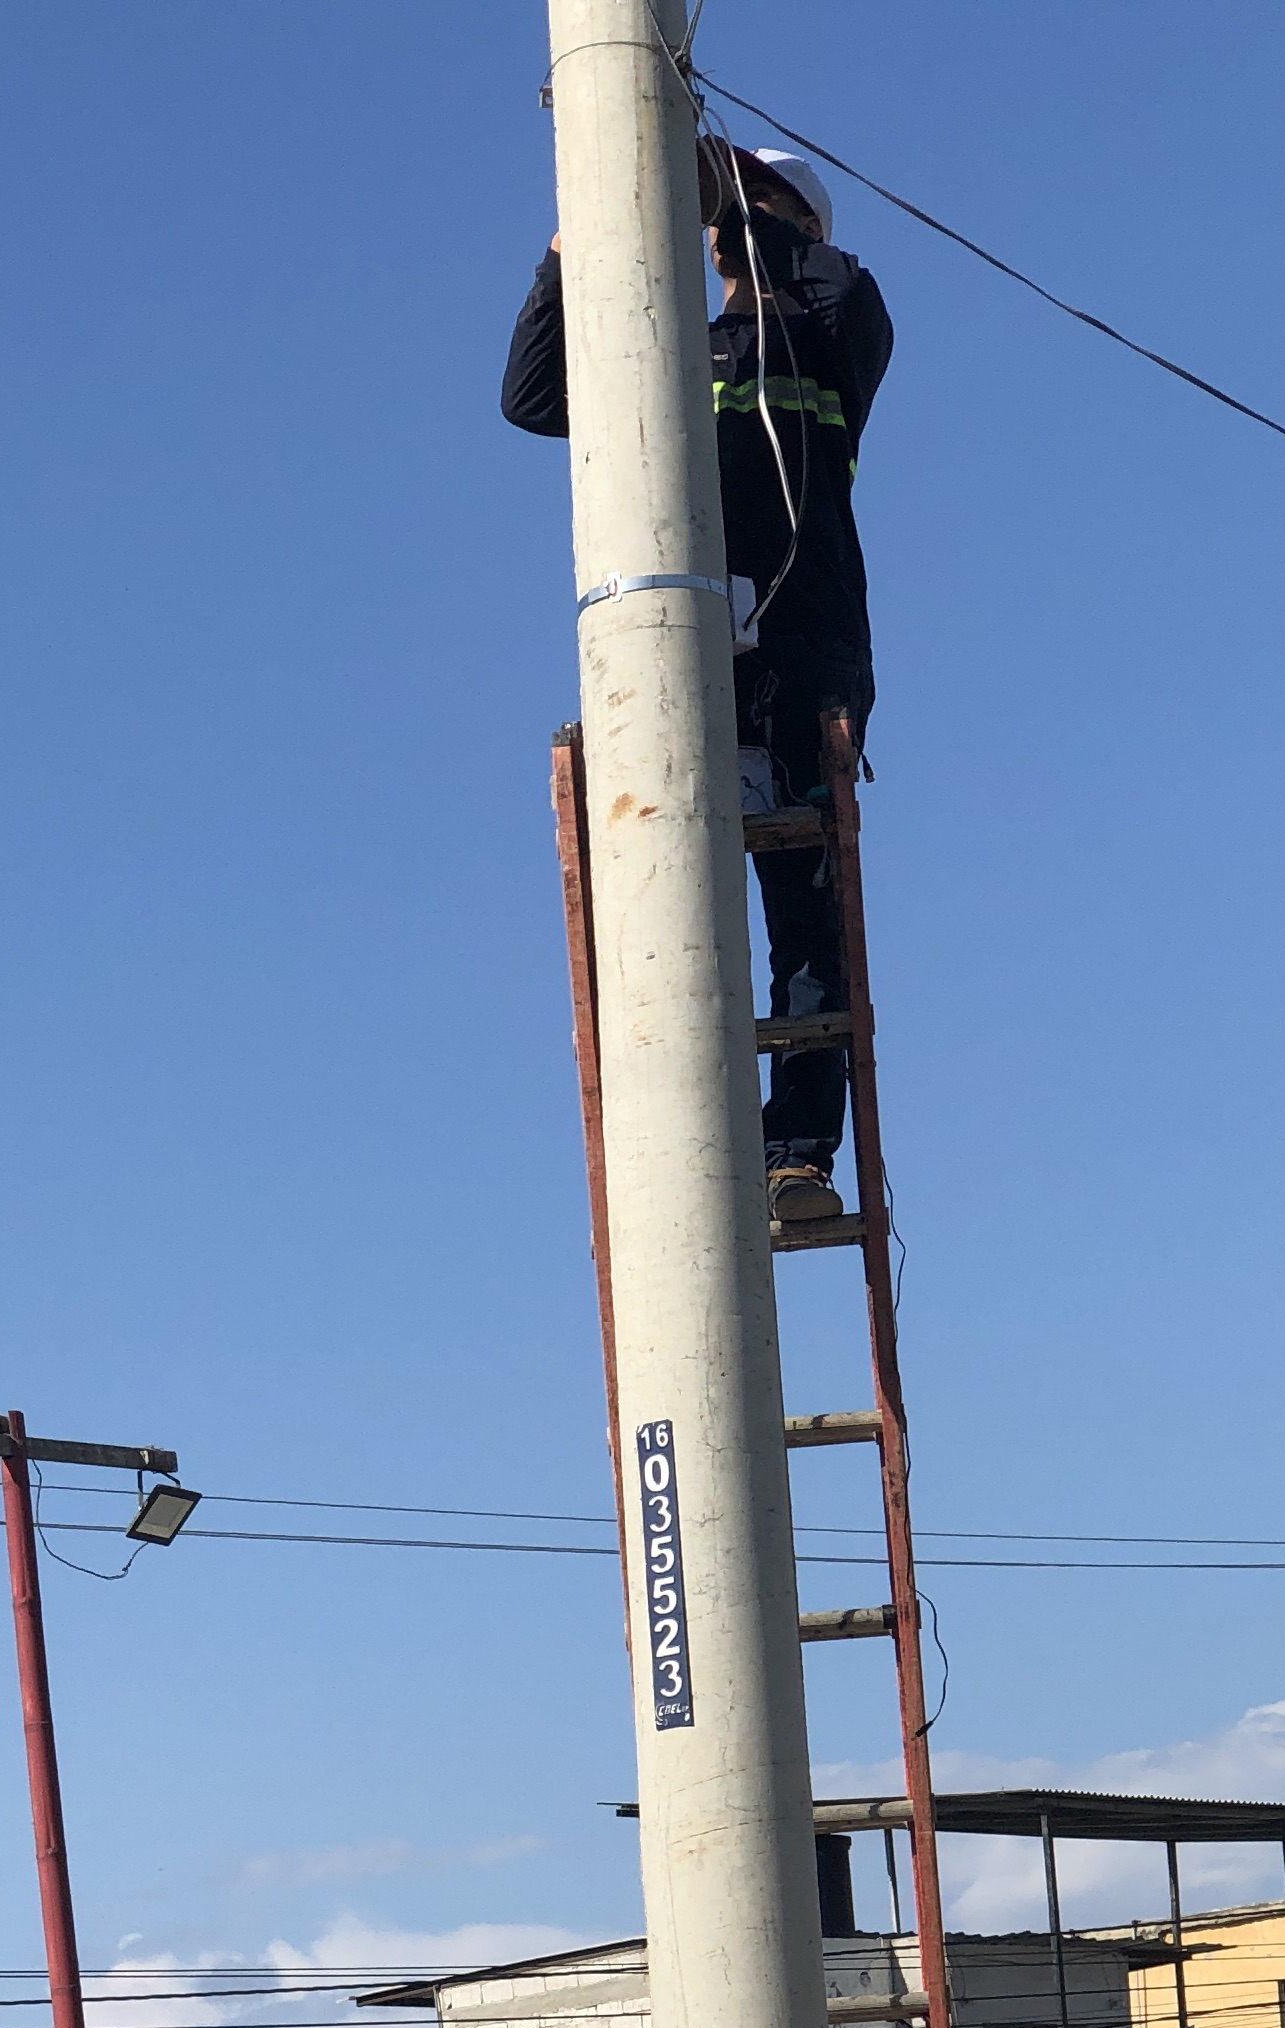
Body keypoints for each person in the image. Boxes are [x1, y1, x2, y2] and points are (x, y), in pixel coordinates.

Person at [502, 139, 895, 1232]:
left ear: (799, 225)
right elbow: (531, 397)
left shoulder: (832, 327)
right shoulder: (665, 349)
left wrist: (735, 206)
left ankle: (795, 1157)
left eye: (755, 201)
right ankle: (676, 1145)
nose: (722, 217)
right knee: (660, 901)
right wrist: (567, 252)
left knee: (805, 917)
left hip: (803, 652)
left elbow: (839, 285)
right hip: (683, 663)